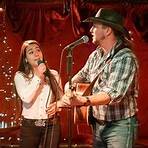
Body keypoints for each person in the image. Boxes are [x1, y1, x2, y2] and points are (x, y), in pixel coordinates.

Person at [47, 8, 139, 148]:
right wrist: (68, 90)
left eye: (95, 26)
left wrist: (82, 101)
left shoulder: (125, 58)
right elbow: (79, 77)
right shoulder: (96, 55)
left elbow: (112, 94)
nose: (90, 30)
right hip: (98, 124)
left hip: (120, 126)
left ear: (107, 30)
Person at [14, 40, 63, 148]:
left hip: (52, 125)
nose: (36, 54)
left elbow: (62, 98)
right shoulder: (21, 76)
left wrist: (57, 106)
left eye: (38, 50)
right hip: (30, 126)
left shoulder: (54, 75)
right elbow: (26, 98)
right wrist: (39, 77)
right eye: (31, 52)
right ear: (25, 59)